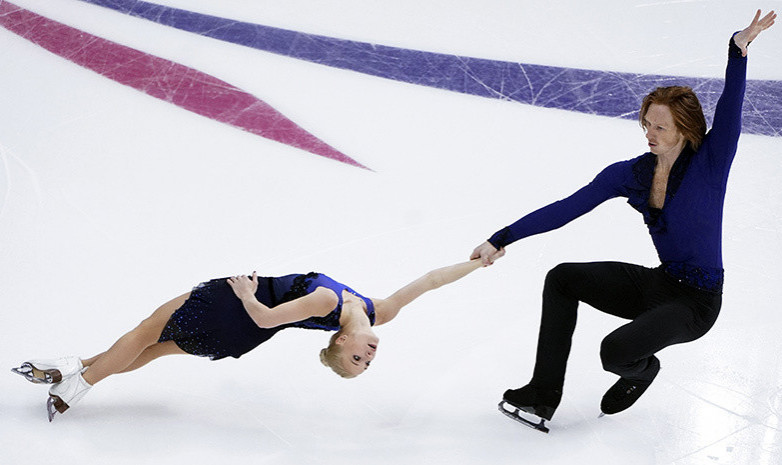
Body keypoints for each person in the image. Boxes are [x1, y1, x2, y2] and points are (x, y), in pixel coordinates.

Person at [471, 10, 776, 432]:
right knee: (562, 278)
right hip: (661, 283)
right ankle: (541, 397)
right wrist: (501, 237)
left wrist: (737, 50)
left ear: (684, 129)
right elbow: (567, 207)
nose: (649, 133)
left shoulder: (710, 161)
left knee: (614, 352)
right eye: (646, 123)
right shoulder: (630, 174)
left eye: (660, 126)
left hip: (697, 304)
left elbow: (731, 106)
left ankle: (641, 372)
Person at [13, 258, 491, 421]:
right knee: (154, 350)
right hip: (239, 336)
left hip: (238, 308)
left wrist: (243, 289)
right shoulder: (378, 312)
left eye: (356, 362)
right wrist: (479, 262)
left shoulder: (326, 303)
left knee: (144, 332)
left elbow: (265, 318)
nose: (367, 358)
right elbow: (430, 281)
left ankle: (75, 384)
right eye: (367, 364)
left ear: (340, 346)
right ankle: (70, 370)